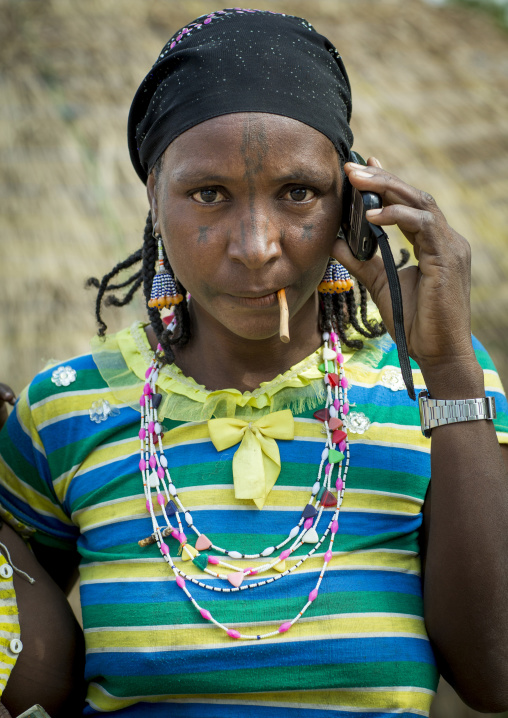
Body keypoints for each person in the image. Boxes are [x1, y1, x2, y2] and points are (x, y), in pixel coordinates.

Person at [0, 8, 507, 717]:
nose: (256, 246)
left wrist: (449, 369)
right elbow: (40, 686)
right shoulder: (63, 411)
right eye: (209, 194)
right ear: (153, 195)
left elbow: (496, 675)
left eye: (298, 193)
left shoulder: (435, 391)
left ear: (353, 205)